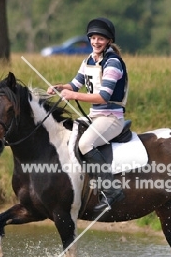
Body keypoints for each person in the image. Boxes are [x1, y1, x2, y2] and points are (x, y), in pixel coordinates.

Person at [47, 17, 128, 212]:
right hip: (95, 117)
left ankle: (111, 191)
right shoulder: (88, 60)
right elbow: (75, 84)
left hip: (111, 119)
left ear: (109, 40)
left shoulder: (113, 63)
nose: (96, 41)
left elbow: (103, 96)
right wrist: (60, 87)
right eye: (93, 38)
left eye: (101, 38)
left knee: (85, 144)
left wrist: (72, 95)